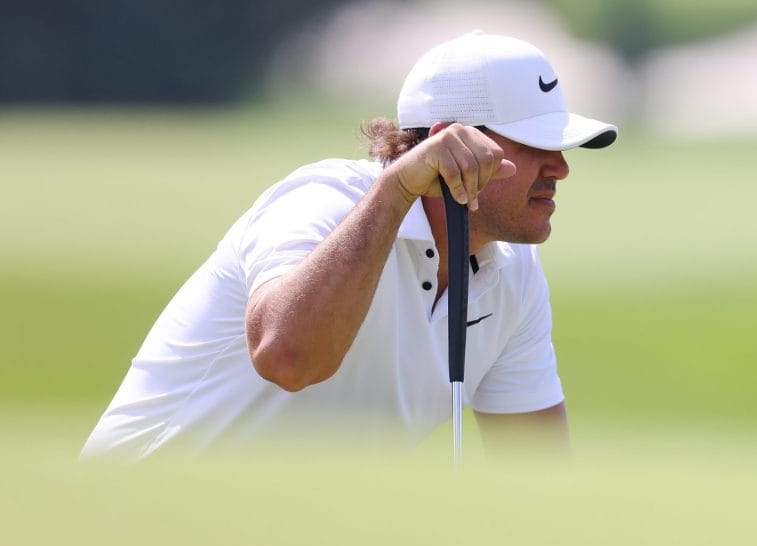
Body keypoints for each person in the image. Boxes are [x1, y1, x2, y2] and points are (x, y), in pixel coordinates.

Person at [81, 31, 617, 460]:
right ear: (447, 142)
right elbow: (288, 359)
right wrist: (397, 189)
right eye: (534, 145)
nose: (561, 168)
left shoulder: (514, 270)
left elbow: (537, 474)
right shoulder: (320, 201)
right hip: (131, 519)